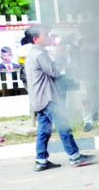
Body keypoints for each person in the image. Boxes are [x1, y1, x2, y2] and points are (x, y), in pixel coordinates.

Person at [25, 24, 95, 171]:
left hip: (39, 99)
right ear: (36, 39)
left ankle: (41, 160)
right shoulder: (40, 54)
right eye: (46, 34)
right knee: (64, 127)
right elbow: (55, 71)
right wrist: (61, 52)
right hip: (48, 98)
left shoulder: (31, 54)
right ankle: (75, 157)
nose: (49, 37)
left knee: (43, 130)